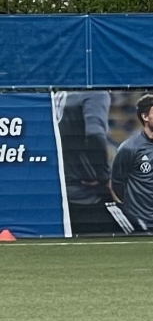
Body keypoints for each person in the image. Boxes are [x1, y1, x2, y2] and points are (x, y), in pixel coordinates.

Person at [109, 93, 153, 235]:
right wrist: (134, 205)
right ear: (145, 117)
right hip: (138, 223)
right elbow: (117, 183)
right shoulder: (128, 148)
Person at [57, 90, 124, 234]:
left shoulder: (58, 95)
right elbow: (95, 134)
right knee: (142, 232)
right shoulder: (95, 92)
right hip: (88, 194)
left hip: (58, 193)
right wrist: (104, 177)